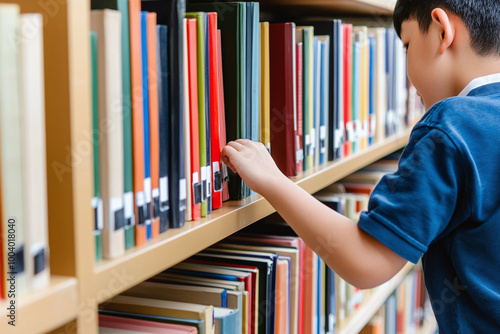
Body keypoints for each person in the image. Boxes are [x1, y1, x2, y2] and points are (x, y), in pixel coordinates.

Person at [221, 0, 500, 332]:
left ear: (442, 30)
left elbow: (368, 262)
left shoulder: (450, 127)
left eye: (407, 44)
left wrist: (271, 179)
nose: (407, 73)